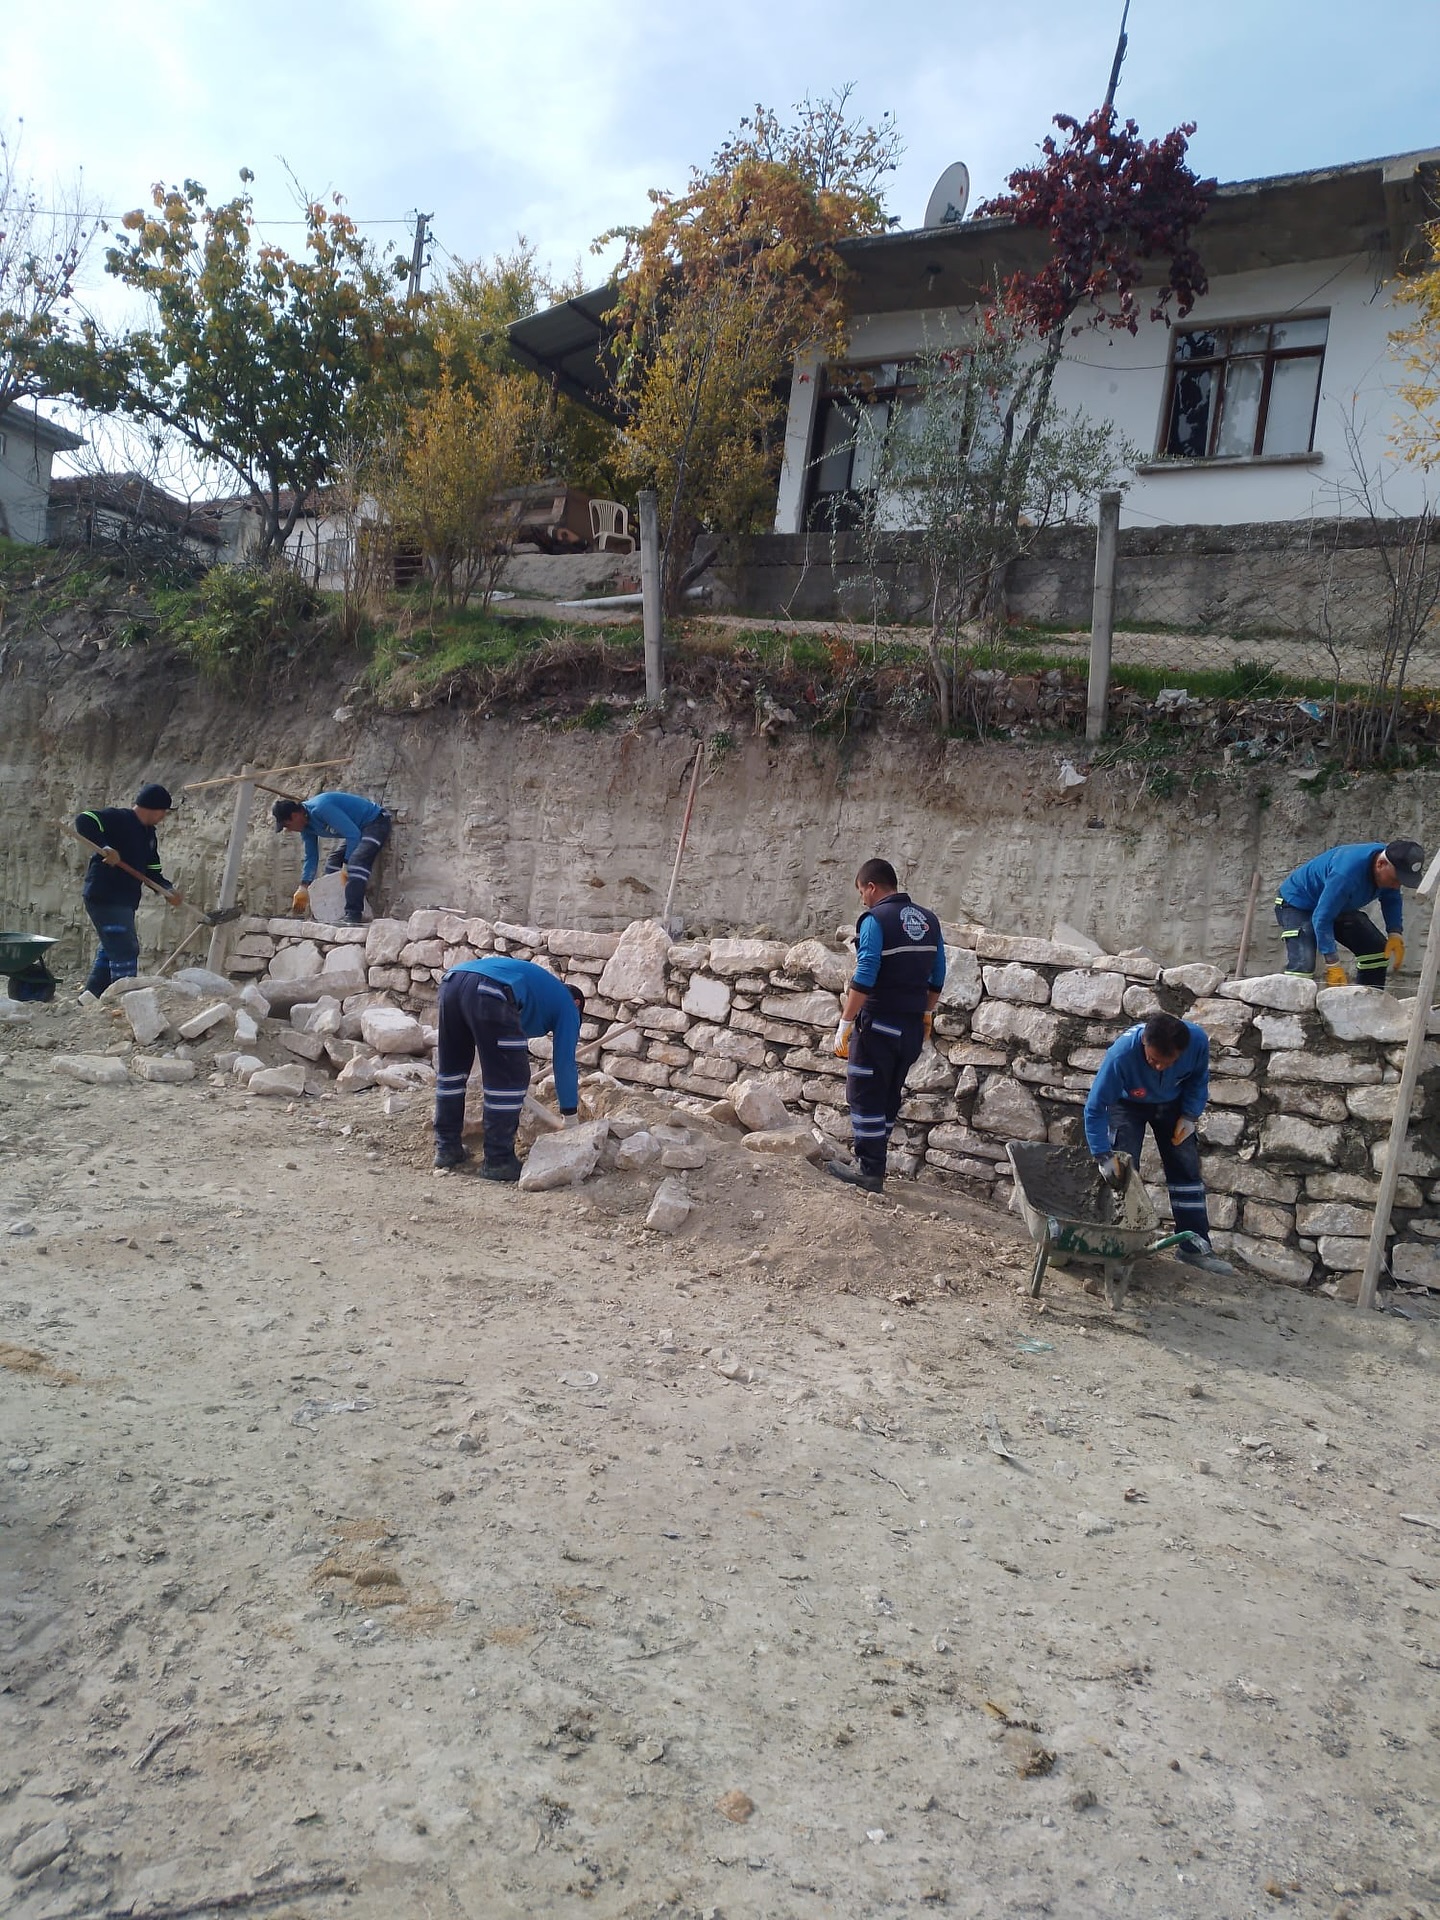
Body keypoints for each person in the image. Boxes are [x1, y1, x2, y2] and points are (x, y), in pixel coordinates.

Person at [826, 858, 946, 1194]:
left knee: (864, 1095)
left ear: (871, 887)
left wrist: (846, 1023)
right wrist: (925, 1014)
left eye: (861, 892)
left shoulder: (875, 920)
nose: (862, 900)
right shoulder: (929, 920)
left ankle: (869, 1171)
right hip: (909, 1030)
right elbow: (938, 975)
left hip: (879, 1025)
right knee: (889, 1095)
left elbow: (865, 975)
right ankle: (874, 1163)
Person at [1083, 1011, 1233, 1276]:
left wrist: (1189, 1115)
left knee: (1186, 1168)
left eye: (1167, 1062)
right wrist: (1103, 1155)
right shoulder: (1121, 1055)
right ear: (1144, 1043)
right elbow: (1096, 1108)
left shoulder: (1196, 1041)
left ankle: (1193, 1246)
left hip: (1173, 1103)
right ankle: (1117, 1247)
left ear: (1181, 1051)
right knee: (1124, 1171)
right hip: (1127, 1103)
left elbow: (1198, 1080)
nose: (1159, 1067)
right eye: (1153, 1060)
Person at [433, 955, 585, 1179]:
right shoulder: (567, 1004)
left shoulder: (540, 991)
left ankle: (446, 1148)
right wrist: (570, 1117)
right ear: (578, 1004)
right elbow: (564, 1063)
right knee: (510, 1078)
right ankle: (498, 1160)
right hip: (491, 990)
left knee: (452, 1071)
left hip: (451, 982)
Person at [74, 783, 182, 998]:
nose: (163, 817)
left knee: (111, 949)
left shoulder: (149, 835)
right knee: (125, 949)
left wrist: (168, 889)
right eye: (163, 812)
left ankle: (90, 998)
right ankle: (125, 1001)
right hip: (105, 896)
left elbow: (152, 870)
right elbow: (84, 819)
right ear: (154, 808)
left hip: (124, 900)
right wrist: (105, 847)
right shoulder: (119, 818)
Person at [1274, 839, 1424, 989]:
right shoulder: (1345, 874)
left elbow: (1391, 898)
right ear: (1381, 864)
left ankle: (1367, 1002)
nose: (1397, 885)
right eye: (1395, 879)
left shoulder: (1394, 861)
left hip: (1335, 905)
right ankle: (1291, 1011)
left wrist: (1395, 933)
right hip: (1296, 903)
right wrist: (1333, 963)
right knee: (1303, 964)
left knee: (1376, 951)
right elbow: (1322, 918)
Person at [271, 791, 393, 926]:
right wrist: (304, 886)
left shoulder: (321, 808)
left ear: (294, 816)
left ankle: (353, 914)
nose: (289, 830)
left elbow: (353, 835)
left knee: (355, 863)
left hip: (375, 822)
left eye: (287, 825)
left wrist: (346, 864)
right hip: (358, 830)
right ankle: (334, 911)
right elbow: (311, 856)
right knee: (333, 863)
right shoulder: (306, 826)